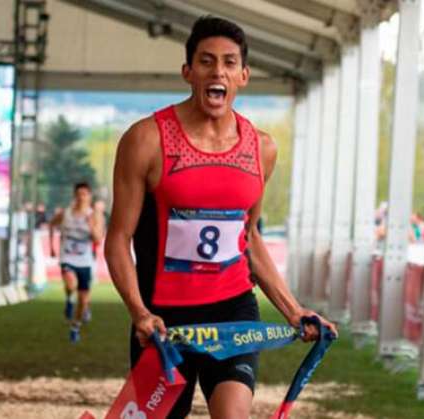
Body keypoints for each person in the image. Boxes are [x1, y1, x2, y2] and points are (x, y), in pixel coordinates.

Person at [104, 16, 337, 418]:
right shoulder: (145, 140)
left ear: (243, 75)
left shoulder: (262, 149)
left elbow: (250, 238)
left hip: (233, 315)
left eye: (229, 63)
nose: (218, 71)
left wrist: (293, 311)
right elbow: (117, 240)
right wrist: (139, 312)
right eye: (207, 61)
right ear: (188, 72)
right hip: (164, 323)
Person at [49, 182, 105, 343]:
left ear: (89, 196)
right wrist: (53, 247)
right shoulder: (66, 213)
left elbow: (98, 239)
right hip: (67, 257)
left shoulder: (94, 215)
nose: (81, 197)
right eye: (79, 194)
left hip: (85, 261)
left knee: (84, 300)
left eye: (85, 194)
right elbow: (52, 225)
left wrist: (90, 225)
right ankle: (69, 300)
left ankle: (75, 327)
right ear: (74, 195)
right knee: (70, 284)